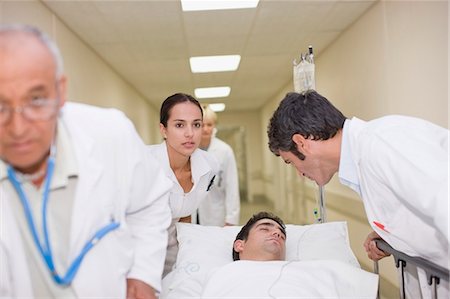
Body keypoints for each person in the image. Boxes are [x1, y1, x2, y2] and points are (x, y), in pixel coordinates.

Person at [0, 24, 173, 298]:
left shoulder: (110, 134)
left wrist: (143, 273)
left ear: (61, 91)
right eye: (0, 105)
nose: (18, 127)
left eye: (35, 100)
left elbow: (151, 201)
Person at [267, 90, 449, 299]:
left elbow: (445, 202)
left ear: (301, 143)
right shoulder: (363, 159)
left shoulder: (381, 143)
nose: (299, 173)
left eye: (292, 162)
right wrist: (394, 235)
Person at [198, 211, 378, 298]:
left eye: (281, 234)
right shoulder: (221, 274)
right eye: (265, 229)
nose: (276, 233)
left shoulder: (320, 269)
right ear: (239, 245)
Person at [148, 93, 218, 276]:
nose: (190, 133)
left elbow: (186, 211)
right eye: (179, 125)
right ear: (163, 130)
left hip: (175, 252)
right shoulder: (144, 165)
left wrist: (187, 257)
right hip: (139, 253)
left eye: (196, 124)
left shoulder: (209, 166)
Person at [196, 105, 240, 226]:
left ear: (214, 126)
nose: (205, 129)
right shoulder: (188, 149)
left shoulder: (224, 151)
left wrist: (231, 219)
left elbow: (232, 186)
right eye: (201, 124)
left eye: (209, 125)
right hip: (192, 213)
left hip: (216, 213)